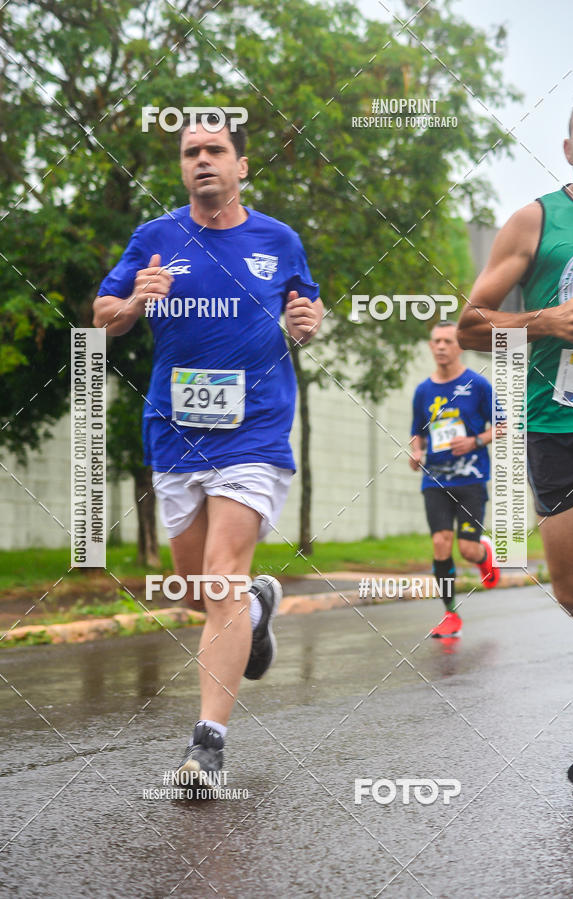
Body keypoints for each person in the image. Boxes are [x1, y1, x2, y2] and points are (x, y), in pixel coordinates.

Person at [93, 111, 323, 788]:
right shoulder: (154, 237)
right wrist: (133, 299)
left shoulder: (279, 239)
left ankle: (207, 746)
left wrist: (307, 322)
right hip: (175, 434)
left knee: (220, 574)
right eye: (191, 150)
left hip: (255, 433)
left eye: (215, 150)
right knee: (202, 593)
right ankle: (255, 610)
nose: (202, 160)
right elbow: (102, 315)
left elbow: (304, 310)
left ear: (241, 165)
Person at [457, 84, 573, 801]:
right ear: (568, 148)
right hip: (558, 423)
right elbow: (471, 325)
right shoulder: (536, 221)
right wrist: (546, 322)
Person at [408, 321, 500, 639]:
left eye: (448, 341)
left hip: (472, 478)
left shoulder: (477, 385)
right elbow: (416, 433)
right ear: (431, 346)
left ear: (459, 346)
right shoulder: (423, 391)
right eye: (436, 341)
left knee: (467, 550)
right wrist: (416, 452)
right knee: (440, 544)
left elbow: (502, 425)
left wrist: (474, 441)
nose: (441, 347)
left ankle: (484, 555)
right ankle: (450, 614)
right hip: (435, 480)